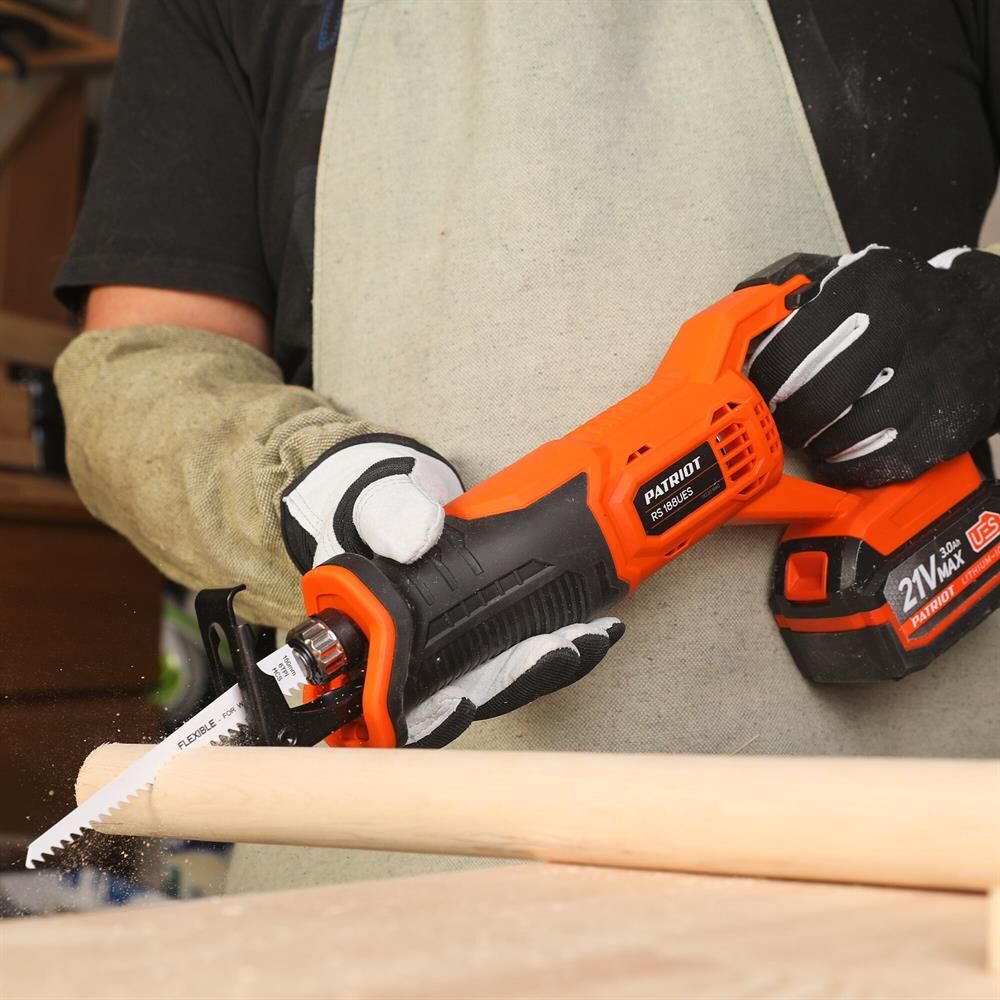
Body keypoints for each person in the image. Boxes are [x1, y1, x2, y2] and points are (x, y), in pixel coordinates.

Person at [53, 1, 998, 889]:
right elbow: (135, 369)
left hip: (889, 863)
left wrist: (984, 329)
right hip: (380, 881)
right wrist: (291, 488)